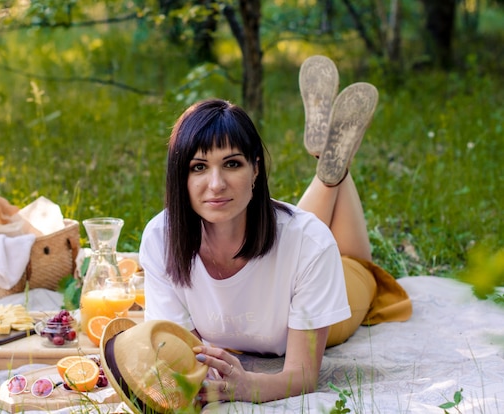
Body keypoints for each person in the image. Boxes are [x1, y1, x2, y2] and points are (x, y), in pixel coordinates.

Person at [138, 55, 412, 404]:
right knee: (298, 231)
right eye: (198, 167)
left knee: (357, 265)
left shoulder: (311, 244)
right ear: (180, 176)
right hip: (293, 242)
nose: (216, 184)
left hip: (337, 278)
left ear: (256, 169)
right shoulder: (161, 238)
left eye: (232, 164)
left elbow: (302, 377)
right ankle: (329, 162)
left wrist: (245, 387)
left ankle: (333, 170)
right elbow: (187, 356)